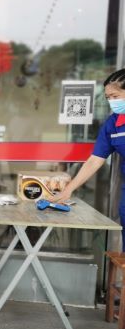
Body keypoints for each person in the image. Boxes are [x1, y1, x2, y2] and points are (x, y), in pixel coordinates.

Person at [51, 68, 125, 251]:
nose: (112, 102)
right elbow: (95, 160)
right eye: (108, 98)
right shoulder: (113, 124)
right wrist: (68, 190)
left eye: (115, 96)